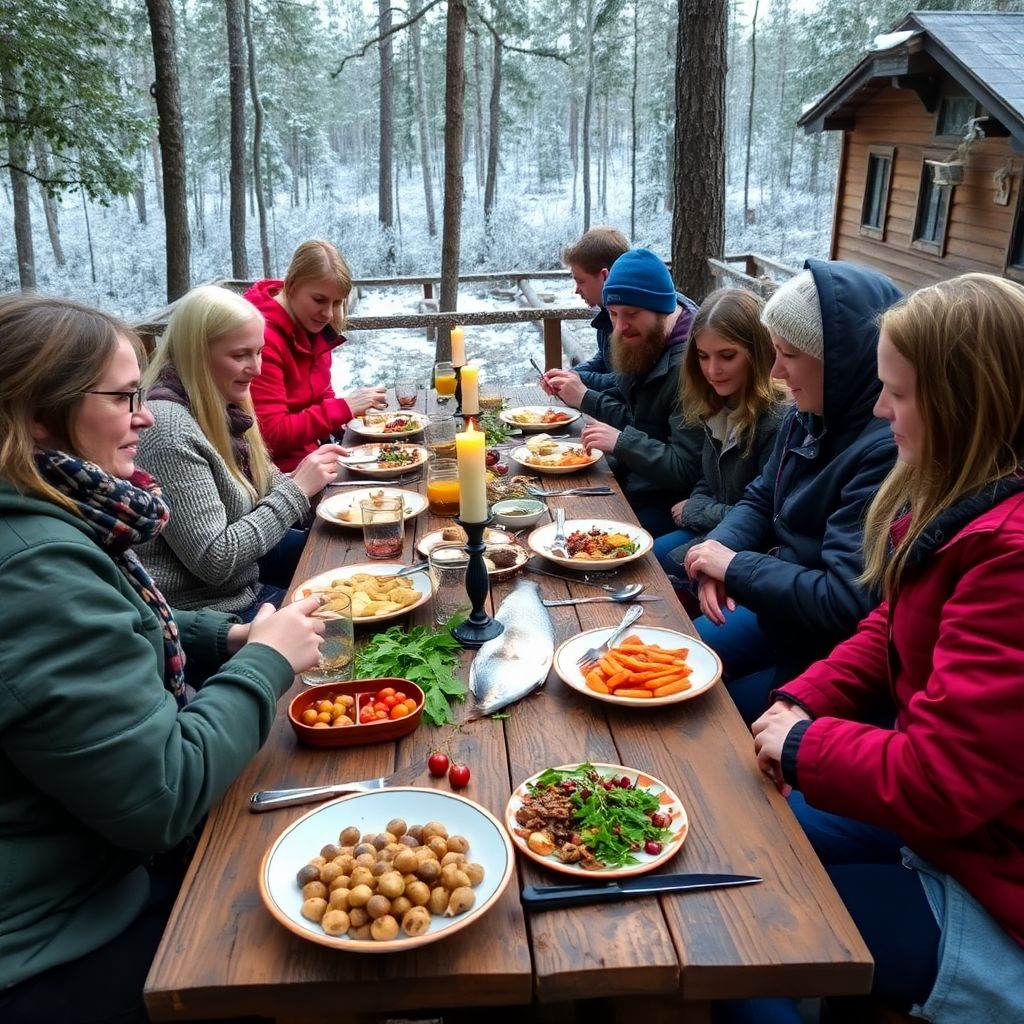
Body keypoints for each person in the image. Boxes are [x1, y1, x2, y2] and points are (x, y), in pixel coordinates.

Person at [0, 293, 326, 1024]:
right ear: (38, 416)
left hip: (91, 864)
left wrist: (224, 640)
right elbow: (163, 796)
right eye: (123, 398)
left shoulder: (40, 516)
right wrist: (265, 665)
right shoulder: (30, 568)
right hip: (60, 933)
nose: (143, 418)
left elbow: (114, 620)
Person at [748, 273, 1024, 1024]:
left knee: (745, 932)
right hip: (950, 834)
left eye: (895, 395)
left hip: (994, 888)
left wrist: (806, 747)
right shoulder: (961, 500)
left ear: (962, 404)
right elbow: (888, 625)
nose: (877, 410)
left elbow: (944, 777)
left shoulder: (1012, 557)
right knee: (746, 841)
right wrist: (806, 697)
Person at [683, 260, 901, 724]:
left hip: (827, 650)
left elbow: (846, 601)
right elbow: (762, 496)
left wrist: (736, 566)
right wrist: (719, 546)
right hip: (780, 614)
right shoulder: (810, 414)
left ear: (840, 361)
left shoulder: (885, 447)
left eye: (791, 355)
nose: (776, 371)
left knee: (707, 717)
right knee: (676, 661)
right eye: (774, 351)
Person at [136, 285, 345, 621]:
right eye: (240, 356)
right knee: (347, 623)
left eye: (259, 352)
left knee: (346, 558)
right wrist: (297, 490)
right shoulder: (167, 430)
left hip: (246, 585)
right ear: (196, 354)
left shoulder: (221, 404)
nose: (257, 368)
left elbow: (266, 480)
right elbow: (215, 560)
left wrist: (311, 478)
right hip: (214, 615)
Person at [542, 247, 704, 535]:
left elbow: (686, 469)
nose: (620, 327)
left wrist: (619, 440)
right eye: (613, 314)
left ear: (663, 309)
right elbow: (637, 415)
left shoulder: (692, 365)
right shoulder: (643, 338)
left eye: (631, 314)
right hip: (635, 476)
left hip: (668, 502)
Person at [651, 288, 788, 582]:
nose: (713, 370)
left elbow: (765, 514)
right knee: (654, 555)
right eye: (702, 356)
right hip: (711, 528)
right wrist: (698, 503)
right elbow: (708, 476)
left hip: (752, 550)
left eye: (727, 356)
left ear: (758, 352)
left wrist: (696, 510)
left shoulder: (776, 421)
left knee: (663, 565)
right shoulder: (717, 403)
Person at [244, 239, 387, 471]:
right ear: (290, 284)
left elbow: (322, 394)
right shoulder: (261, 338)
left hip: (316, 456)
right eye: (319, 300)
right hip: (280, 474)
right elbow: (270, 434)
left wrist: (348, 419)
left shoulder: (310, 323)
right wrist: (344, 408)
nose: (329, 313)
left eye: (337, 302)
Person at [546, 225, 629, 393]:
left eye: (581, 281)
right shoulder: (607, 312)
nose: (576, 289)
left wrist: (578, 380)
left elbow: (628, 380)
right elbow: (605, 359)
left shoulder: (635, 320)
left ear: (604, 276)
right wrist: (570, 375)